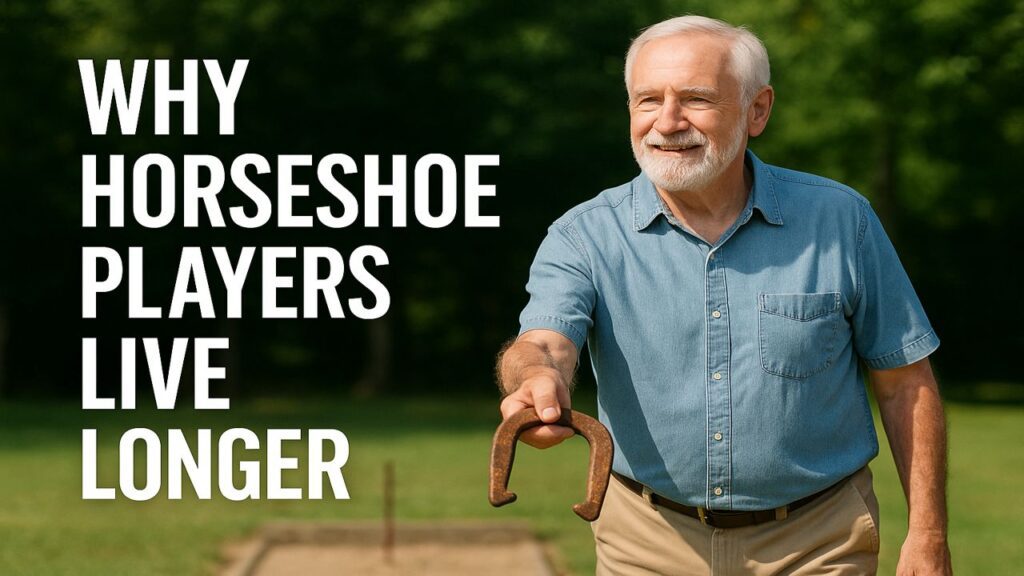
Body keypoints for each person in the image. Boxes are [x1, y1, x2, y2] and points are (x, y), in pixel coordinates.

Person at [496, 15, 952, 576]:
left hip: (818, 541)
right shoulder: (583, 235)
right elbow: (544, 341)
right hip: (646, 540)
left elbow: (906, 382)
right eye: (647, 100)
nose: (667, 122)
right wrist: (538, 381)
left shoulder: (841, 222)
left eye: (695, 99)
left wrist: (927, 535)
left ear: (757, 110)